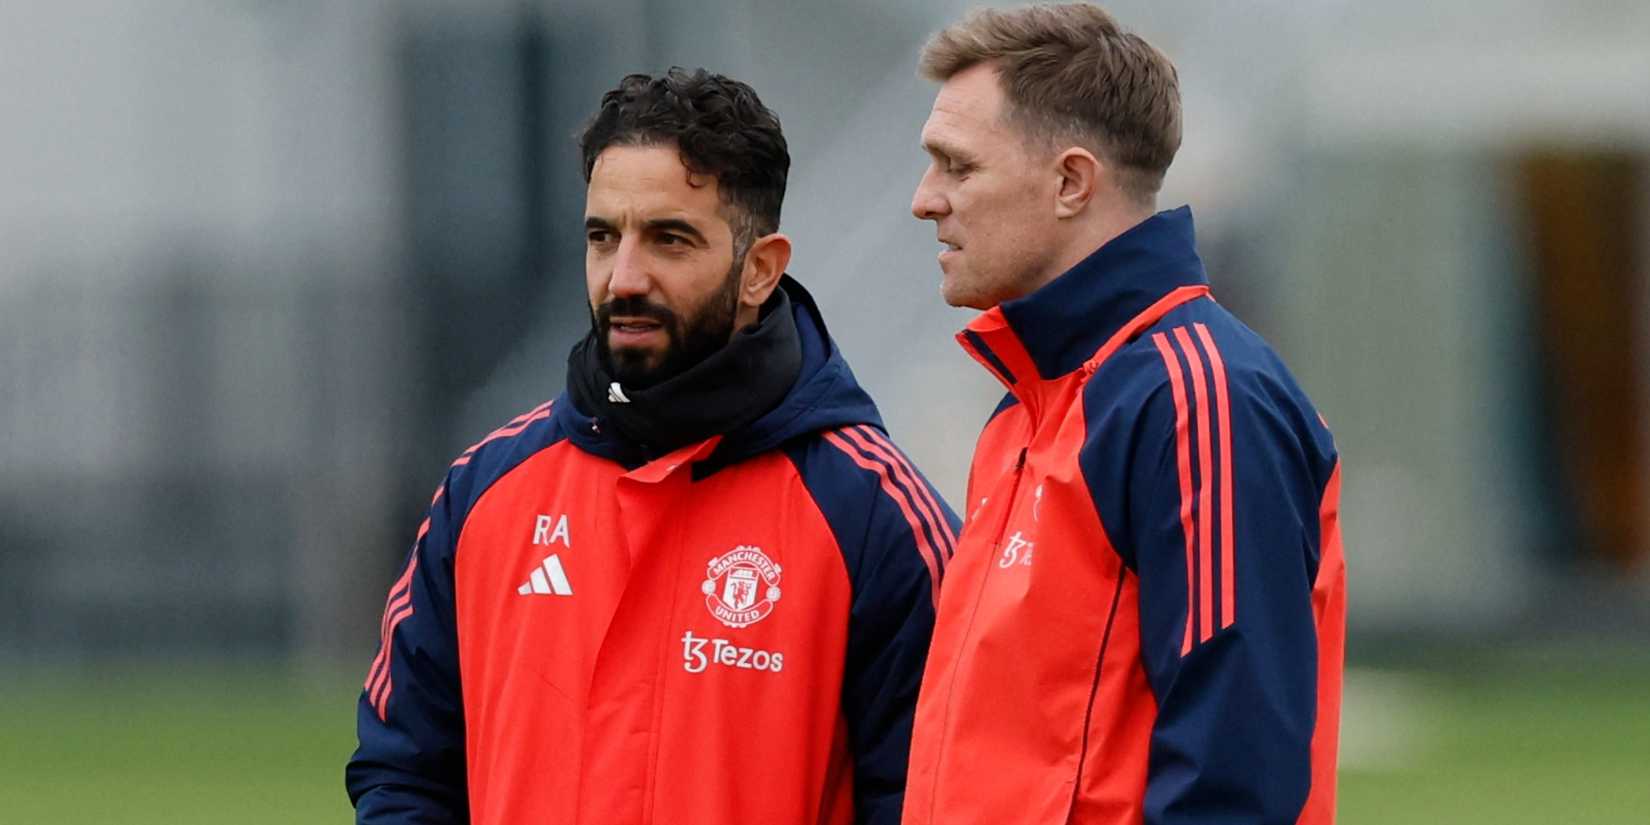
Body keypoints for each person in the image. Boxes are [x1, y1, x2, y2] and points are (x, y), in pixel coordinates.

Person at [346, 67, 957, 825]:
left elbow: (937, 798)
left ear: (760, 269)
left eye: (669, 239)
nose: (624, 278)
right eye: (604, 237)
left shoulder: (874, 516)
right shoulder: (485, 491)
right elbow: (403, 772)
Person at [900, 5, 1345, 824]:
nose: (925, 200)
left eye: (957, 166)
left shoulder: (1199, 396)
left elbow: (1235, 780)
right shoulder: (1024, 406)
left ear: (1072, 181)